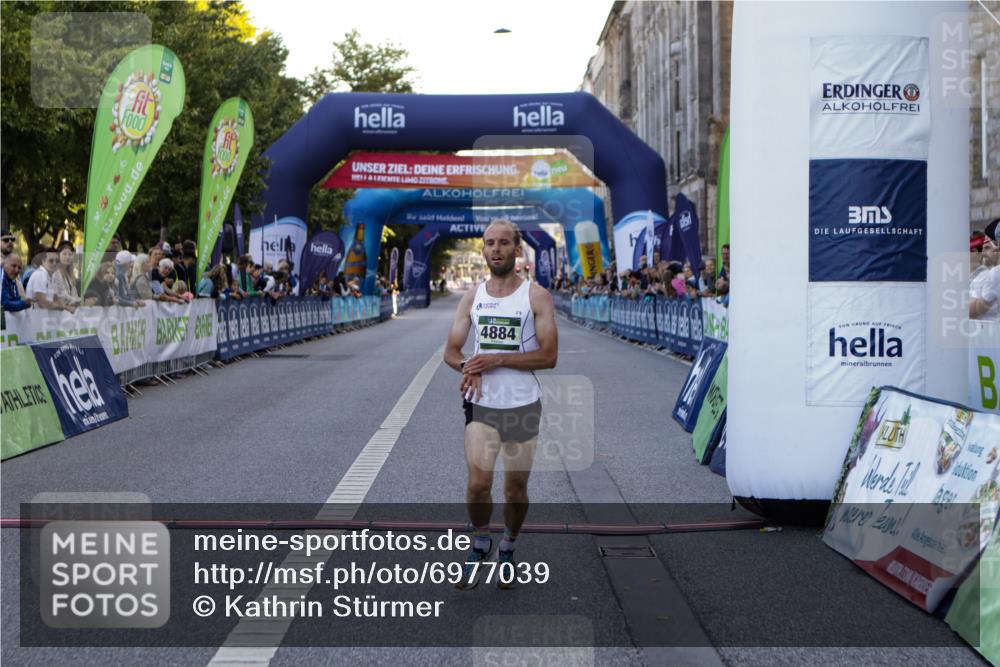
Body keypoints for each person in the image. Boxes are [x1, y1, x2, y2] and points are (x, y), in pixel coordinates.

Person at [443, 219, 558, 591]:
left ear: (517, 249)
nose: (496, 249)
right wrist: (470, 365)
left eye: (503, 242)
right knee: (478, 484)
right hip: (482, 403)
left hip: (523, 403)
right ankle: (480, 540)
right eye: (490, 243)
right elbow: (451, 351)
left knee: (515, 490)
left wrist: (495, 360)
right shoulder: (473, 296)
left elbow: (549, 356)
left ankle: (508, 544)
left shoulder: (536, 296)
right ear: (483, 250)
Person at [26, 248, 75, 312]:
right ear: (43, 261)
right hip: (35, 318)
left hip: (46, 318)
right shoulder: (39, 275)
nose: (54, 263)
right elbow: (42, 303)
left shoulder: (52, 276)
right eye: (51, 261)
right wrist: (64, 307)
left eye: (57, 261)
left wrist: (65, 306)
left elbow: (56, 298)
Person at [970, 219, 1000, 321]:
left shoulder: (995, 274)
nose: (983, 253)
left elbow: (973, 311)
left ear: (997, 247)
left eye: (987, 248)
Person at [51, 241, 81, 307]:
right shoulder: (55, 274)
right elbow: (60, 295)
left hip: (71, 310)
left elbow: (74, 294)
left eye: (70, 254)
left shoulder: (69, 275)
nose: (67, 257)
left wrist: (81, 301)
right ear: (58, 256)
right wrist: (79, 301)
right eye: (64, 254)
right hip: (59, 311)